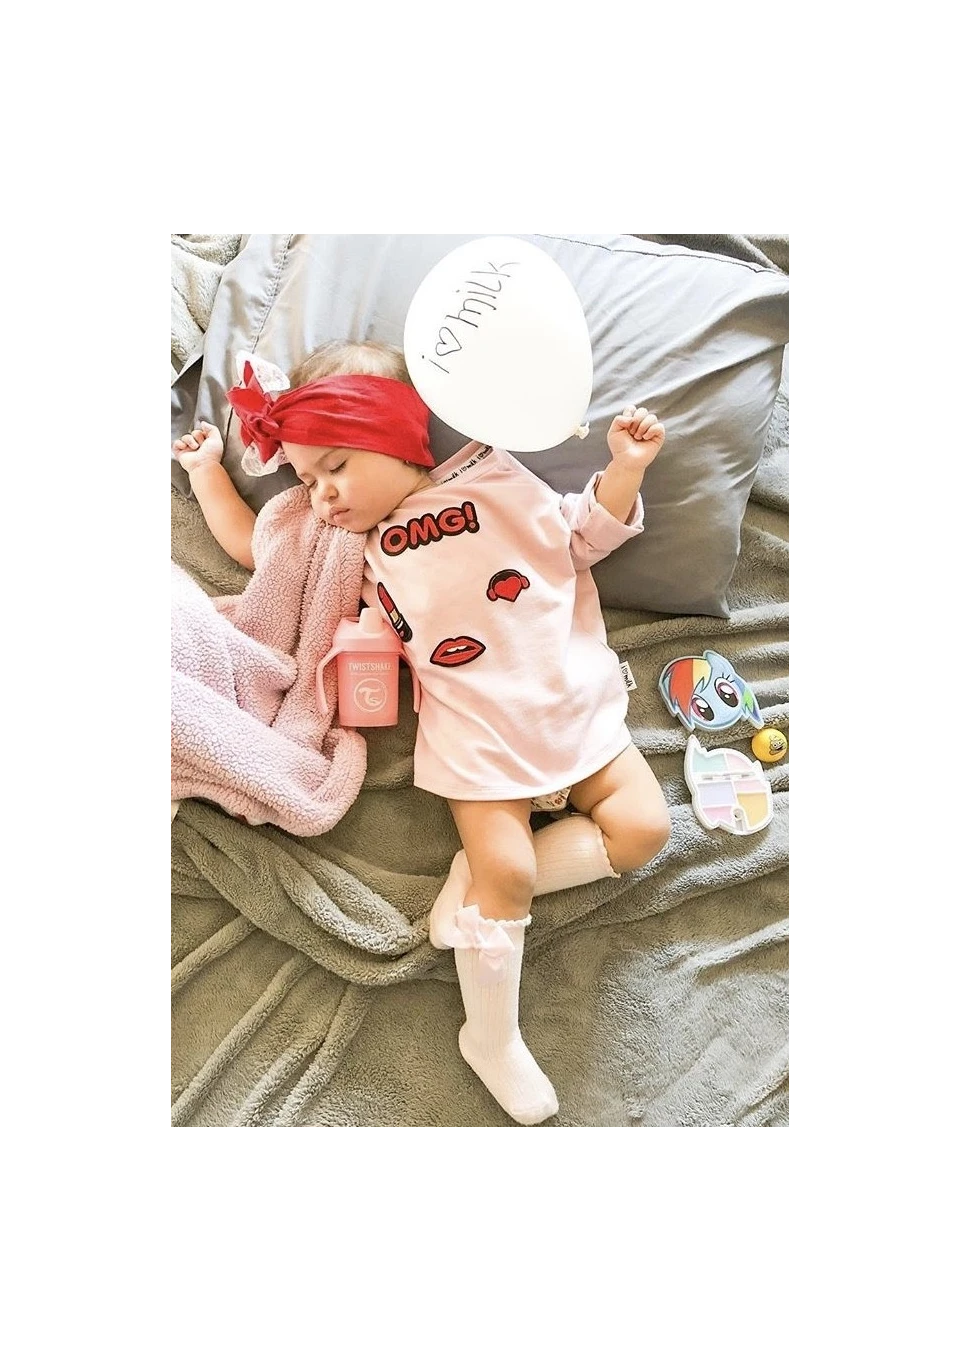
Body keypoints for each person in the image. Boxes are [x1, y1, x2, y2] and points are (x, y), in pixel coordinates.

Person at [173, 339, 671, 1126]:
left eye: (334, 468)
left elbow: (581, 538)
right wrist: (207, 471)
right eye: (306, 479)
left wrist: (626, 470)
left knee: (645, 832)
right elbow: (251, 548)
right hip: (476, 735)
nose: (321, 494)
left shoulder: (494, 475)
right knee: (508, 869)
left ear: (391, 437)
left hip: (570, 702)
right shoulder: (340, 544)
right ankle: (491, 1033)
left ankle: (473, 889)